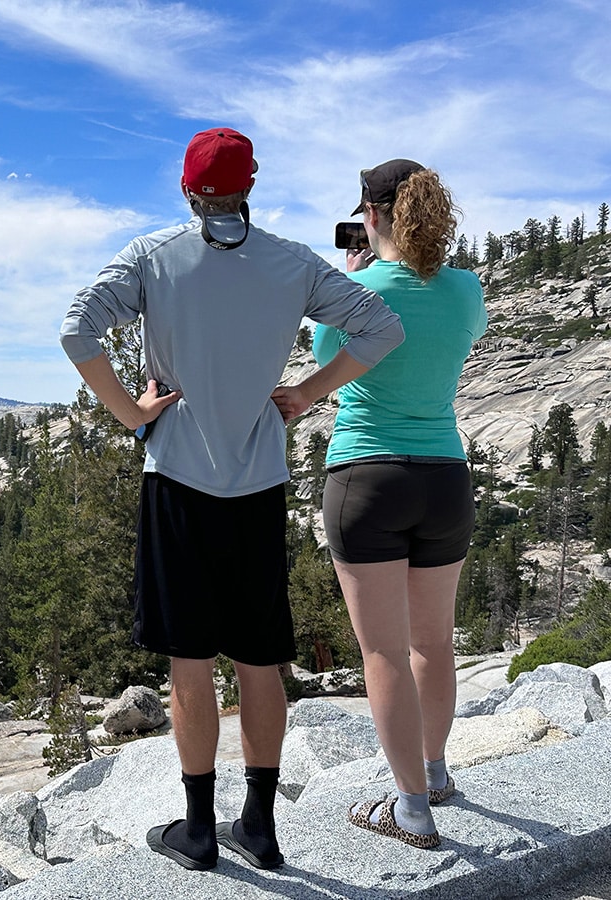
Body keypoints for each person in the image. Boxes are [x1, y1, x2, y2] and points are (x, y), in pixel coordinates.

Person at [59, 127, 405, 872]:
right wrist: (307, 394)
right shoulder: (292, 263)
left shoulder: (153, 256)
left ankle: (197, 830)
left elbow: (77, 327)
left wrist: (130, 413)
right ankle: (260, 826)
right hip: (257, 486)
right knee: (258, 660)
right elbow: (382, 325)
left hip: (177, 481)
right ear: (249, 188)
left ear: (188, 189)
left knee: (190, 662)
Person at [276, 159, 486, 848]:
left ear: (370, 215)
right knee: (433, 643)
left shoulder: (355, 291)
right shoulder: (465, 290)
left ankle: (411, 811)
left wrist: (357, 276)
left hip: (367, 478)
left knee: (384, 653)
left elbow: (331, 356)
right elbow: (451, 338)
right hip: (444, 477)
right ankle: (436, 774)